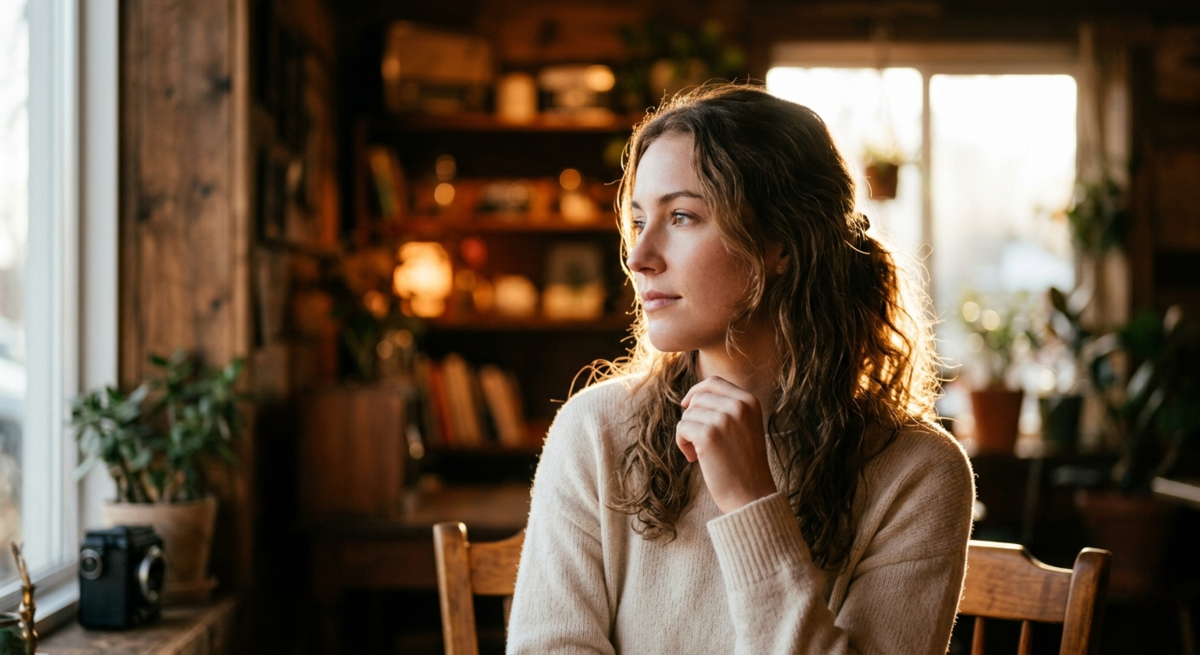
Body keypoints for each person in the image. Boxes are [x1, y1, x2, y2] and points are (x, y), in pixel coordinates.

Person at [506, 83, 975, 654]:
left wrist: (753, 505)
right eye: (637, 221)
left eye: (681, 216)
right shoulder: (593, 432)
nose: (639, 256)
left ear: (783, 242)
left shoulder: (918, 474)